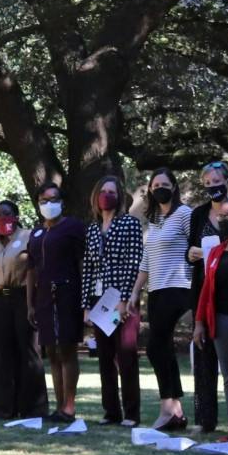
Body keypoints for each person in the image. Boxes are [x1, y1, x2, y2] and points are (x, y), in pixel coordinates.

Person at [83, 174, 144, 427]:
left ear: (119, 197)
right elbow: (88, 265)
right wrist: (85, 304)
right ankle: (111, 412)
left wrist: (125, 297)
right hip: (99, 299)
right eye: (103, 191)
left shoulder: (129, 223)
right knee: (105, 357)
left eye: (112, 191)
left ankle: (131, 413)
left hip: (122, 299)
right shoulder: (92, 228)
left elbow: (134, 260)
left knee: (126, 356)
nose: (106, 195)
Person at [135, 168, 193, 431]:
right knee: (162, 347)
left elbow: (199, 246)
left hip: (178, 286)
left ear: (174, 186)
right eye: (155, 184)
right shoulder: (154, 220)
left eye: (165, 183)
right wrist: (137, 291)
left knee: (156, 347)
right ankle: (176, 411)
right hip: (156, 290)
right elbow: (147, 260)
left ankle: (167, 408)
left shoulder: (184, 214)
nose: (160, 188)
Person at [28, 182, 87, 422]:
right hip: (43, 297)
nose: (48, 205)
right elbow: (31, 268)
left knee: (67, 349)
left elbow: (84, 263)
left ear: (62, 201)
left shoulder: (74, 227)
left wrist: (85, 299)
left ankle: (70, 406)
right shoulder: (36, 233)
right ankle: (59, 405)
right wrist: (30, 303)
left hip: (67, 293)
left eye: (53, 199)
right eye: (43, 201)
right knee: (51, 351)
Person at [187, 167, 228, 435]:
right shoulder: (198, 214)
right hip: (203, 288)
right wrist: (193, 254)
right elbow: (189, 250)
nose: (213, 186)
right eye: (207, 183)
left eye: (217, 181)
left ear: (227, 182)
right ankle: (204, 419)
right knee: (203, 354)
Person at [0, 199, 44, 419]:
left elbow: (32, 271)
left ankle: (34, 407)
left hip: (22, 297)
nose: (2, 218)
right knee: (4, 355)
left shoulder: (28, 237)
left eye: (7, 213)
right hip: (0, 300)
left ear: (16, 216)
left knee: (28, 352)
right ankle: (6, 408)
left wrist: (31, 305)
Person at [193, 205, 228, 438]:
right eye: (221, 217)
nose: (225, 220)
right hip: (221, 320)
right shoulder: (216, 252)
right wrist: (199, 322)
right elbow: (206, 290)